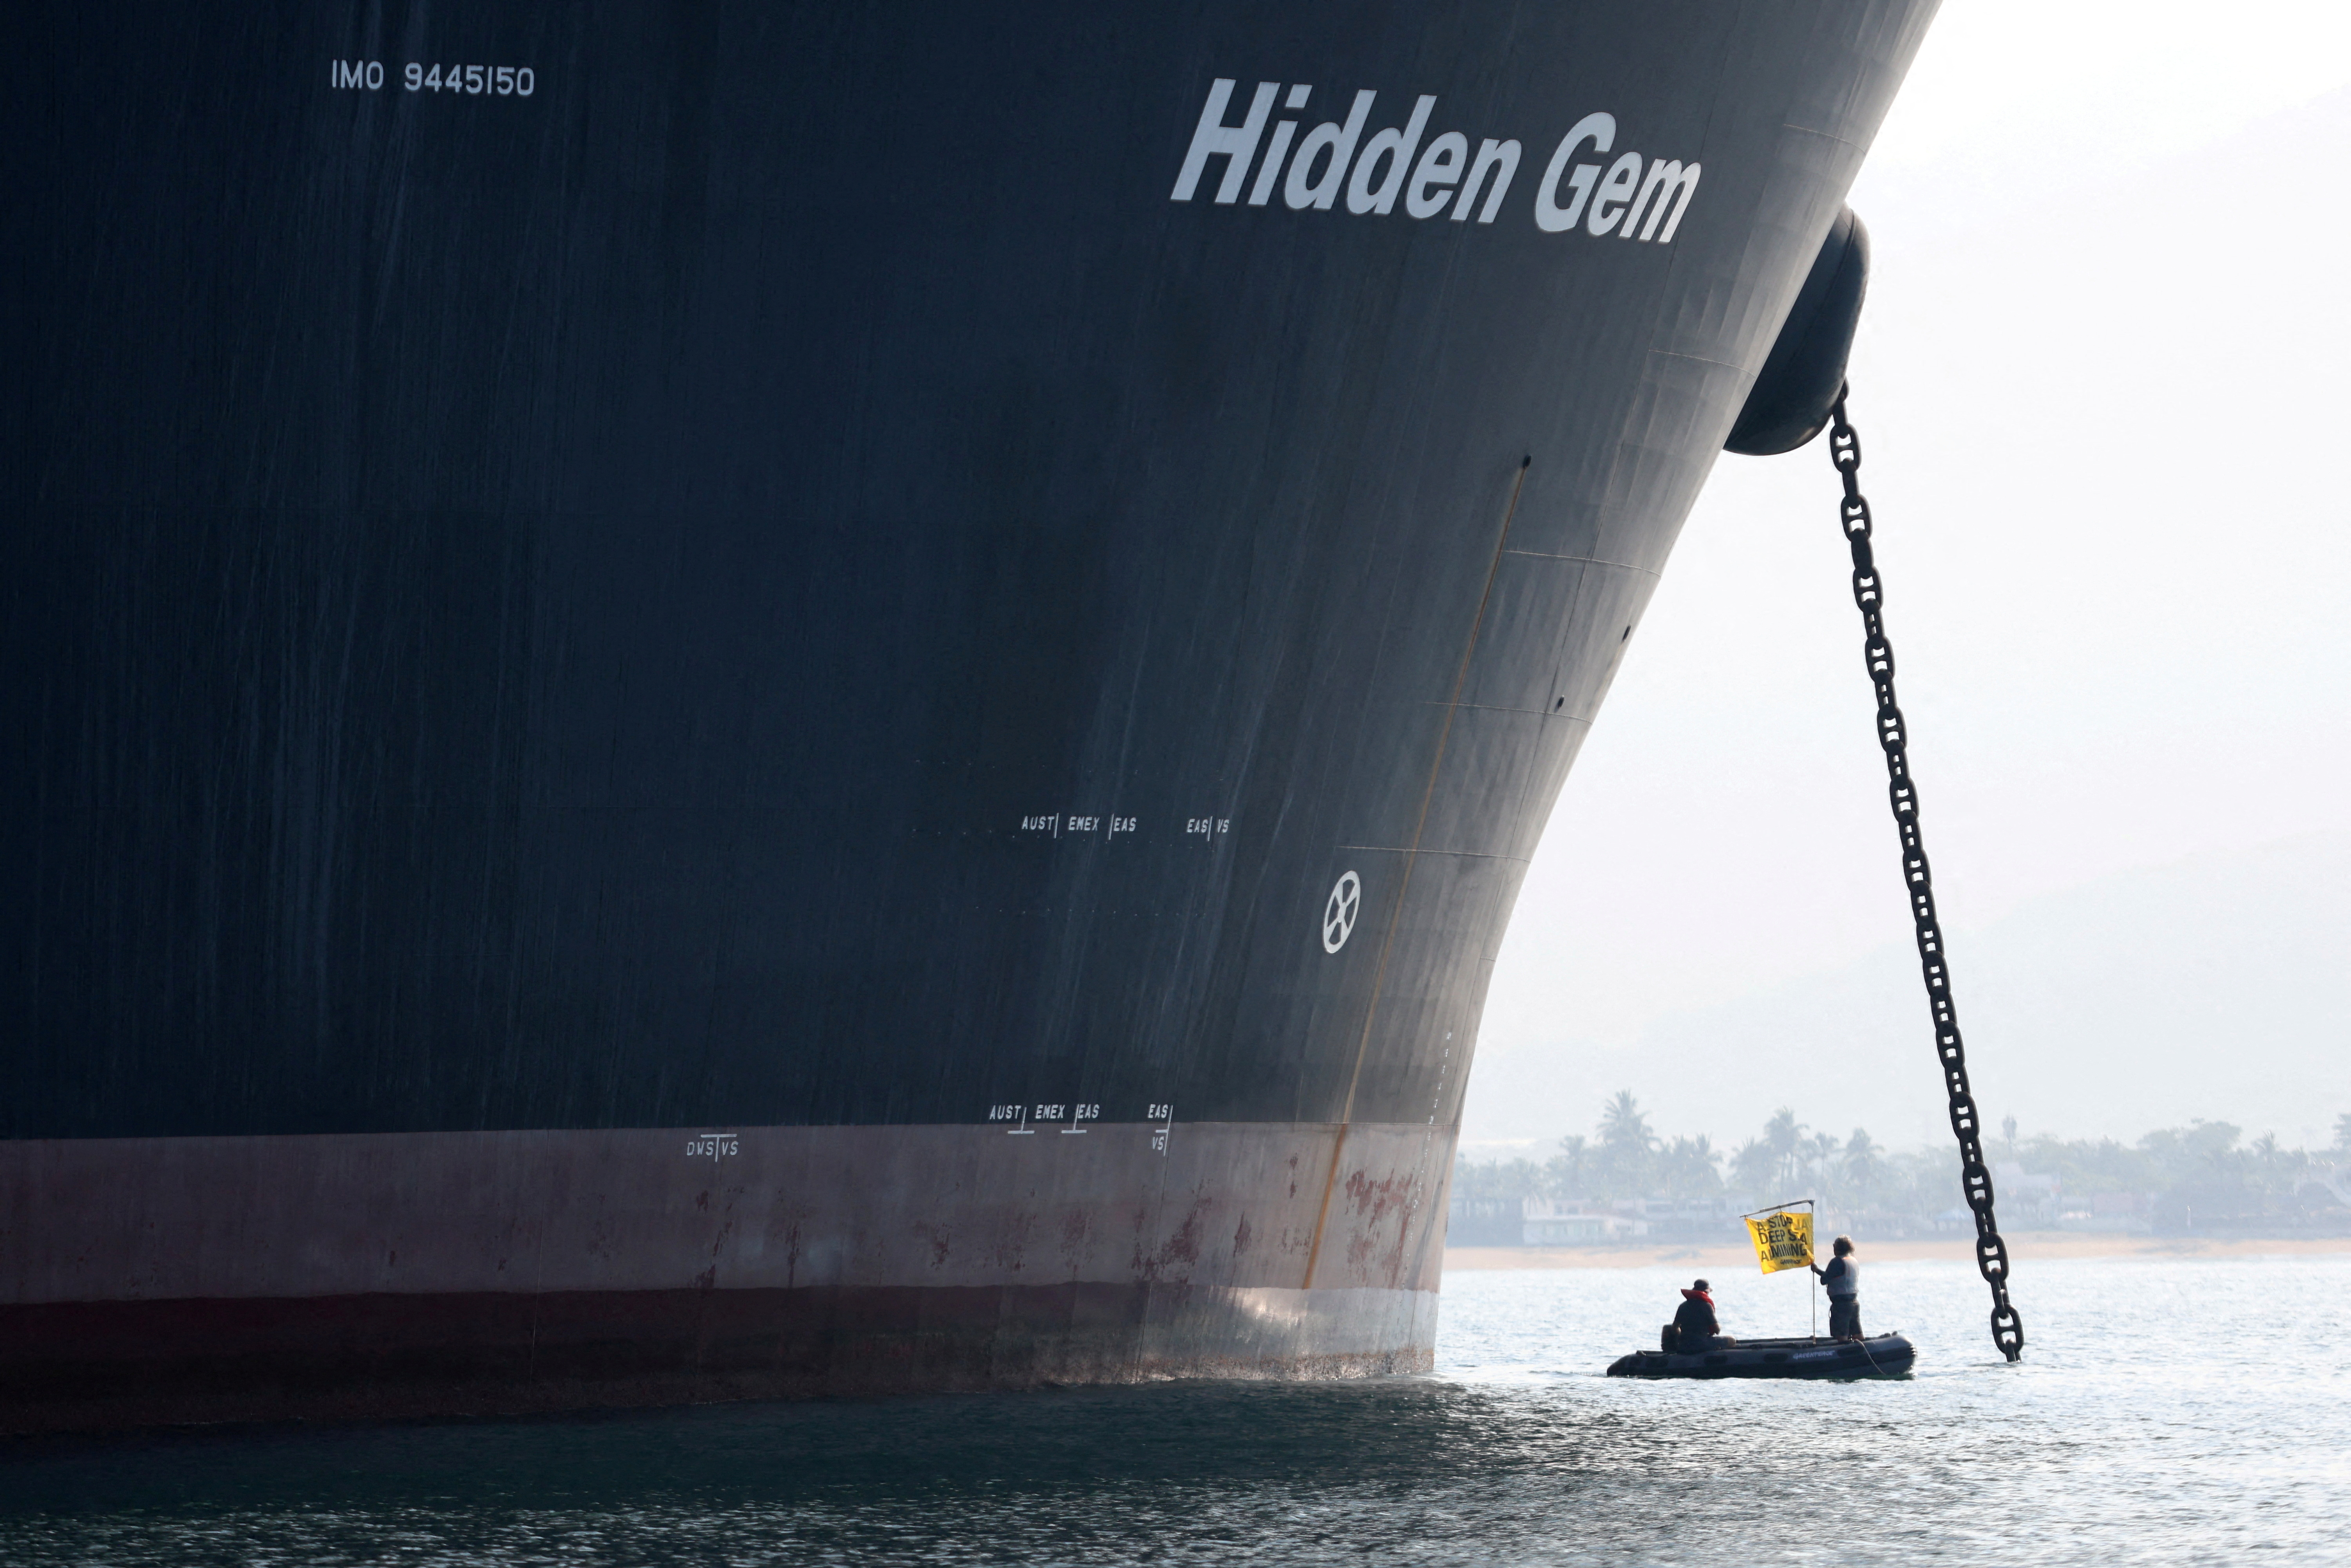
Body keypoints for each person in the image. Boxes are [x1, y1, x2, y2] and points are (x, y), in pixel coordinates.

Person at [1811, 1235, 1863, 1339]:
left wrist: (1816, 1270)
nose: (1834, 1248)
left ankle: (1843, 1352)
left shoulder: (1837, 1262)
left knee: (1841, 1336)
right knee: (1857, 1334)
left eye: (1835, 1246)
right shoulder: (1853, 1261)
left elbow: (1824, 1280)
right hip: (1854, 1305)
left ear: (1839, 1248)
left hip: (1841, 1306)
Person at [1669, 1278, 1732, 1354]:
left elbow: (1675, 1328)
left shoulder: (1683, 1306)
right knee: (1732, 1340)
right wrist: (1720, 1325)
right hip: (1702, 1344)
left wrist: (1683, 1338)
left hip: (1685, 1345)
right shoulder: (1707, 1306)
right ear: (1706, 1292)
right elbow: (1717, 1330)